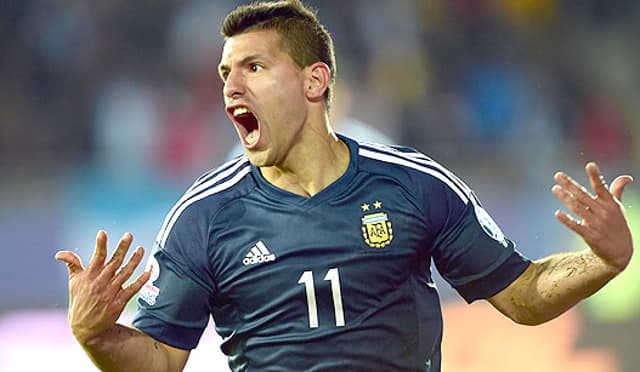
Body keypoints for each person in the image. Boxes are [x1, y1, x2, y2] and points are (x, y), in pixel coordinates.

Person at [55, 1, 634, 371]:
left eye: (253, 67)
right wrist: (95, 336)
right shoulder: (203, 218)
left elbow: (521, 294)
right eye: (225, 72)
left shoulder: (414, 185)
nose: (231, 85)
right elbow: (158, 361)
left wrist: (602, 263)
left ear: (315, 80)